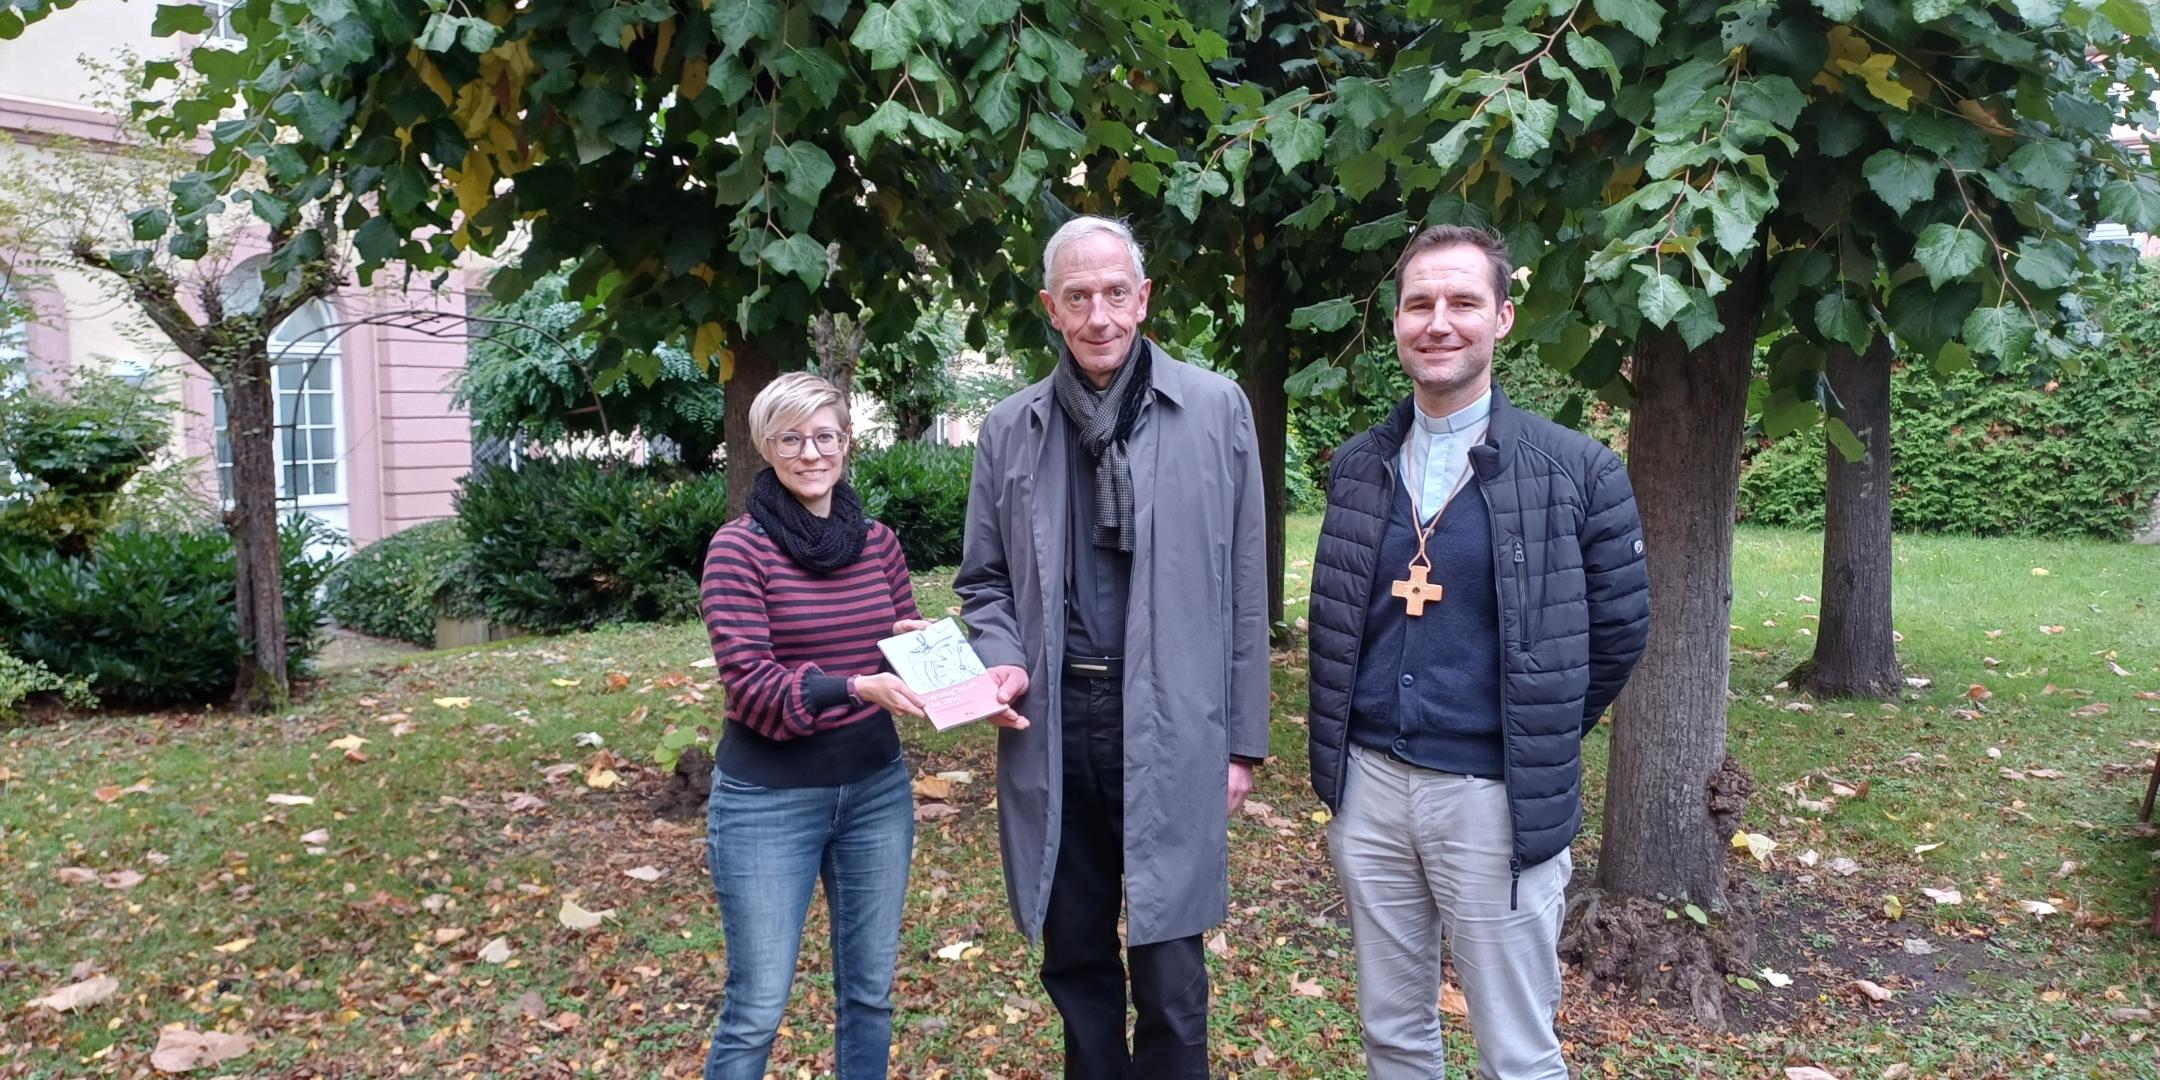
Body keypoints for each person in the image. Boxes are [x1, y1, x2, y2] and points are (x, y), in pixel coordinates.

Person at [1304, 225, 1651, 1079]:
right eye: (1419, 303)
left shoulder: (1578, 470)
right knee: (1393, 1033)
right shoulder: (1359, 467)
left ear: (1502, 318)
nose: (1439, 322)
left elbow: (1616, 632)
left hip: (1494, 799)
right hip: (1373, 789)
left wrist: (1531, 732)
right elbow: (1340, 619)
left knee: (1516, 1051)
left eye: (1462, 302)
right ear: (1396, 322)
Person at [953, 214, 1270, 1078]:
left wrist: (1243, 743)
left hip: (1172, 720)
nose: (1100, 316)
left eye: (1116, 293)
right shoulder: (1010, 429)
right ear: (1052, 309)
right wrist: (998, 655)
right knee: (1075, 954)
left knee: (1169, 968)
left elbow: (1246, 584)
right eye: (1079, 297)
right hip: (1055, 723)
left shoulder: (1214, 409)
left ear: (1145, 299)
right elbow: (982, 583)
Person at [697, 372, 932, 1080]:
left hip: (875, 791)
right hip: (769, 800)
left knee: (870, 995)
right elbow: (751, 684)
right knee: (757, 1008)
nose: (810, 452)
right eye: (791, 438)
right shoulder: (739, 550)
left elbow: (894, 639)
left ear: (846, 442)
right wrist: (856, 684)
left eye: (825, 436)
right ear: (765, 446)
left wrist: (924, 650)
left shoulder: (878, 542)